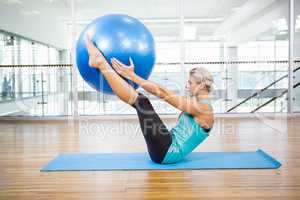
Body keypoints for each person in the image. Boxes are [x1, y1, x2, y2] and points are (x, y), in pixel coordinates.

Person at [85, 37, 214, 164]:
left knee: (142, 102)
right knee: (141, 101)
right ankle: (101, 63)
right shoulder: (199, 105)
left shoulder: (204, 109)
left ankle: (101, 63)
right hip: (167, 144)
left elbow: (163, 93)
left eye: (190, 83)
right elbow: (164, 92)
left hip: (167, 152)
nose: (187, 86)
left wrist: (131, 75)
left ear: (201, 85)